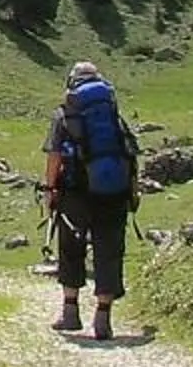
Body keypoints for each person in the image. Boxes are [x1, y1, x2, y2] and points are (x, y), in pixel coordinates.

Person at [42, 61, 137, 339]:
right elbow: (130, 152)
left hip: (75, 191)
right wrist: (132, 190)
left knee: (71, 247)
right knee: (109, 249)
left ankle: (70, 313)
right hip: (114, 192)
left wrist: (50, 189)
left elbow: (54, 155)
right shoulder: (113, 114)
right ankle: (103, 318)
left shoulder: (65, 114)